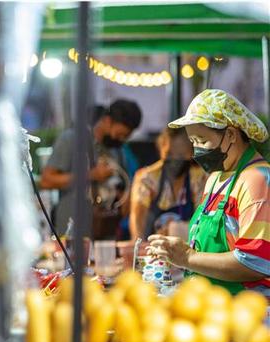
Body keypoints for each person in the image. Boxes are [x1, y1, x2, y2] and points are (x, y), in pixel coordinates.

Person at [147, 89, 270, 297]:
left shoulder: (257, 180)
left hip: (247, 310)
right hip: (211, 304)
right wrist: (176, 252)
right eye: (193, 141)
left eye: (203, 141)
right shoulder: (215, 178)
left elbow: (256, 262)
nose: (197, 151)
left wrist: (187, 257)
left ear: (230, 134)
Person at [41, 99, 143, 240]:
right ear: (108, 121)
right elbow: (46, 180)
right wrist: (91, 175)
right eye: (119, 134)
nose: (120, 139)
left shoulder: (116, 150)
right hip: (73, 233)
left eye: (125, 137)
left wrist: (123, 196)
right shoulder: (72, 139)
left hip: (106, 233)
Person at [130, 127, 208, 240]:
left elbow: (202, 218)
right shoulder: (146, 178)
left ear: (191, 153)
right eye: (169, 154)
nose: (175, 160)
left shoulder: (200, 178)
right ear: (161, 149)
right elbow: (138, 215)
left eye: (181, 155)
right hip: (151, 246)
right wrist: (139, 243)